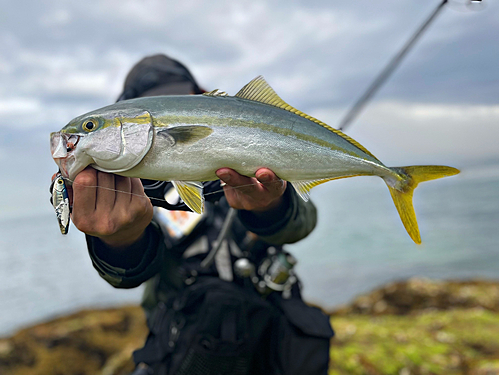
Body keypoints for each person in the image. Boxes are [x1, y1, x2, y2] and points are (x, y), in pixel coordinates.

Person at [65, 54, 333, 375]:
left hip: (273, 326)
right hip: (187, 337)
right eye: (153, 105)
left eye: (178, 97)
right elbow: (127, 272)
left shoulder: (249, 147)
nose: (167, 113)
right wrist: (118, 241)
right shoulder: (128, 182)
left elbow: (303, 222)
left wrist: (271, 207)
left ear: (197, 96)